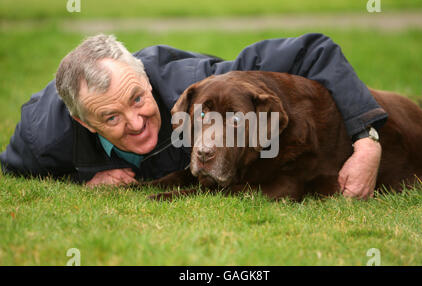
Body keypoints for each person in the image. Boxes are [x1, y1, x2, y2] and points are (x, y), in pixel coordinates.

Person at [0, 33, 387, 199]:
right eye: (111, 118)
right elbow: (10, 178)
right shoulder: (41, 136)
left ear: (146, 80)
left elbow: (315, 50)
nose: (135, 123)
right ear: (85, 123)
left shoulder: (204, 86)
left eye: (138, 99)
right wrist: (80, 181)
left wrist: (365, 140)